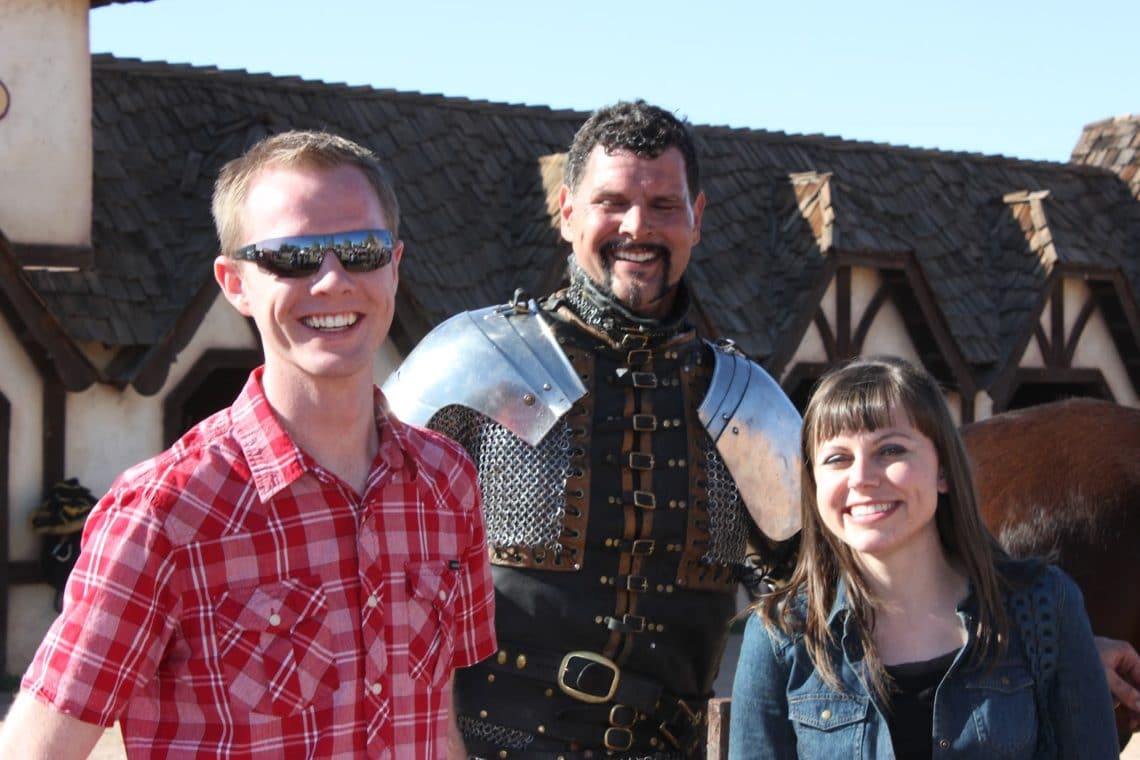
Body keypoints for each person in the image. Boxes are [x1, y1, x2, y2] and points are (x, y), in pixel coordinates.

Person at [0, 130, 497, 759]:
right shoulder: (162, 512)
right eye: (293, 257)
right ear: (235, 283)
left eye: (361, 249)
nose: (333, 281)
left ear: (394, 264)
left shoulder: (447, 480)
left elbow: (437, 720)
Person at [383, 100, 804, 758]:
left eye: (664, 205)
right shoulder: (470, 365)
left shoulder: (748, 408)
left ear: (697, 218)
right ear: (567, 211)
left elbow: (810, 610)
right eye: (612, 202)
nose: (637, 227)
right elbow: (369, 565)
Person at [728, 356, 1119, 758]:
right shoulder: (781, 636)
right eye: (837, 458)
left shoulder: (1044, 609)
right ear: (814, 485)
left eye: (890, 449)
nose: (862, 477)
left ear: (944, 470)